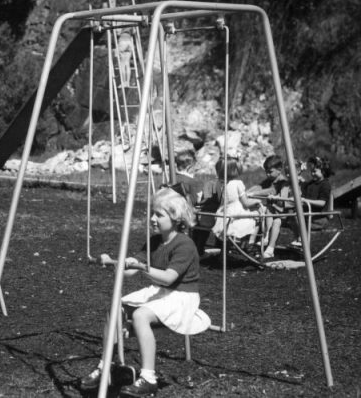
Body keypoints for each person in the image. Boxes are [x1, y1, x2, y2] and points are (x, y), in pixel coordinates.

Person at [80, 188, 209, 396]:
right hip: (160, 291)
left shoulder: (185, 244)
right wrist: (114, 261)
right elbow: (131, 270)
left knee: (140, 315)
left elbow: (168, 277)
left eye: (159, 214)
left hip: (181, 295)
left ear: (175, 218)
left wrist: (142, 267)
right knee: (115, 308)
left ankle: (148, 377)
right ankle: (105, 365)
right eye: (153, 213)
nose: (152, 219)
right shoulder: (154, 241)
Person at [211, 158, 263, 252]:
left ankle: (227, 248)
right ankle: (250, 243)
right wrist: (257, 201)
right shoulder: (238, 183)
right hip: (236, 213)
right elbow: (246, 203)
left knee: (232, 227)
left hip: (224, 211)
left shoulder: (220, 183)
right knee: (257, 217)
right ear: (234, 171)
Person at [246, 155, 290, 260]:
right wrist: (246, 193)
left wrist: (252, 194)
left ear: (279, 170)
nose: (267, 174)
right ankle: (251, 241)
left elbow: (271, 191)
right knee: (257, 211)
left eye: (270, 171)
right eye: (266, 171)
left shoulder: (282, 181)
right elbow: (259, 186)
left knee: (261, 211)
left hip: (282, 211)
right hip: (273, 211)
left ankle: (263, 238)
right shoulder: (271, 178)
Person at [287, 156, 333, 248]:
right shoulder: (311, 184)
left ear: (323, 171)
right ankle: (299, 239)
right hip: (309, 215)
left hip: (319, 218)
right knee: (291, 215)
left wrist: (304, 200)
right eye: (311, 171)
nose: (312, 174)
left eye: (315, 171)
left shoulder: (325, 185)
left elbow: (322, 203)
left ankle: (301, 240)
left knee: (297, 217)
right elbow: (302, 189)